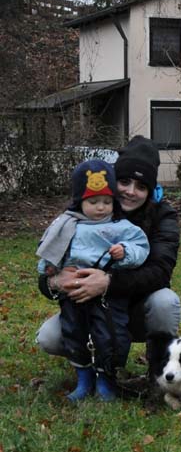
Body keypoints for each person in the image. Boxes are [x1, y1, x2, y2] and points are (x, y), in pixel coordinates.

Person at [37, 136, 181, 367]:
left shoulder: (163, 216)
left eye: (141, 186)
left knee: (165, 302)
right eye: (124, 182)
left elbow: (160, 272)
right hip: (87, 306)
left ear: (151, 191)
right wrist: (55, 281)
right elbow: (47, 270)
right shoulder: (82, 213)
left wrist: (108, 282)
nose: (131, 192)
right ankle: (92, 364)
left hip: (138, 308)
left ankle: (160, 366)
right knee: (49, 337)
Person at [36, 159, 151, 401]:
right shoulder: (66, 225)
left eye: (107, 202)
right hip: (74, 295)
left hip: (108, 298)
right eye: (93, 202)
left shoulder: (120, 226)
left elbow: (141, 247)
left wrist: (125, 251)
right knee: (73, 332)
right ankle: (84, 379)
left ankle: (106, 381)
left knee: (110, 335)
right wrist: (50, 271)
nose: (101, 208)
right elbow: (49, 252)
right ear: (80, 201)